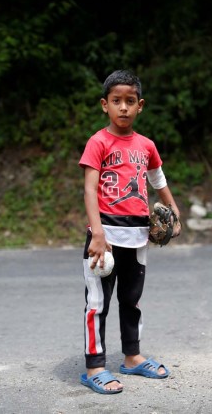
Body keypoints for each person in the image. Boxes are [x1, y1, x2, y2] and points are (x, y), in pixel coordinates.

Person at [78, 70, 181, 394]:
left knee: (131, 301)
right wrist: (96, 234)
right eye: (116, 101)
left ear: (140, 106)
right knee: (97, 303)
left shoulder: (146, 145)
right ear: (104, 105)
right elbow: (89, 190)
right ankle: (95, 366)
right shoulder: (98, 142)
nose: (123, 107)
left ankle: (132, 357)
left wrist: (174, 212)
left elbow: (158, 181)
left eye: (130, 101)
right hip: (104, 238)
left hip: (137, 237)